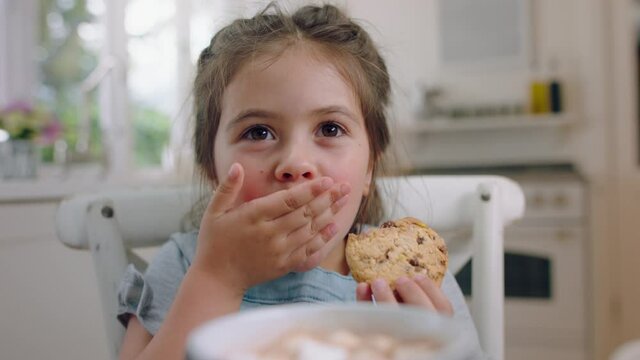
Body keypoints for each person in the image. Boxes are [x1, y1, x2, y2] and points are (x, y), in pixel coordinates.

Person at [116, 3, 483, 359]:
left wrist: (432, 346)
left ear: (370, 166)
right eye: (258, 132)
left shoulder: (415, 284)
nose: (295, 163)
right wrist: (217, 279)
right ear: (212, 168)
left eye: (329, 128)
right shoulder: (186, 266)